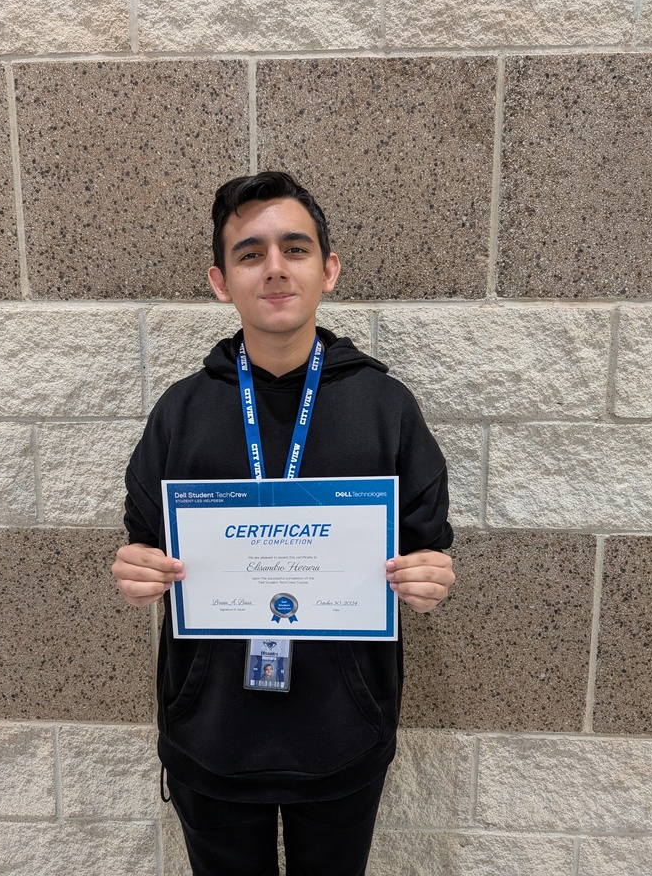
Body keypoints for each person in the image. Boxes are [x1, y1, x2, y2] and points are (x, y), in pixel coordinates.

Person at [112, 171, 455, 876]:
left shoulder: (385, 407)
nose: (274, 268)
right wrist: (136, 569)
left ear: (328, 270)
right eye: (250, 253)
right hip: (210, 737)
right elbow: (143, 542)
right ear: (220, 281)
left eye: (295, 249)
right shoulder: (180, 412)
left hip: (343, 736)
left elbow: (427, 550)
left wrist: (429, 579)